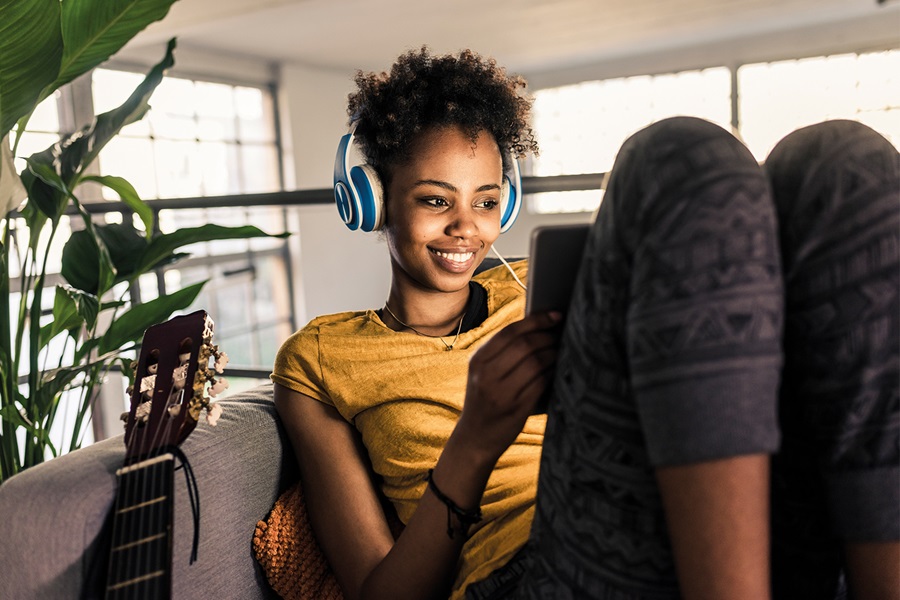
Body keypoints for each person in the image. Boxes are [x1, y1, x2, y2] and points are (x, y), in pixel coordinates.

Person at [272, 47, 899, 600]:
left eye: (487, 201)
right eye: (436, 200)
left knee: (840, 162)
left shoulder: (542, 286)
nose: (467, 228)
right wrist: (475, 440)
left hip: (704, 502)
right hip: (532, 571)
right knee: (676, 154)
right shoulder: (320, 359)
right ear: (373, 198)